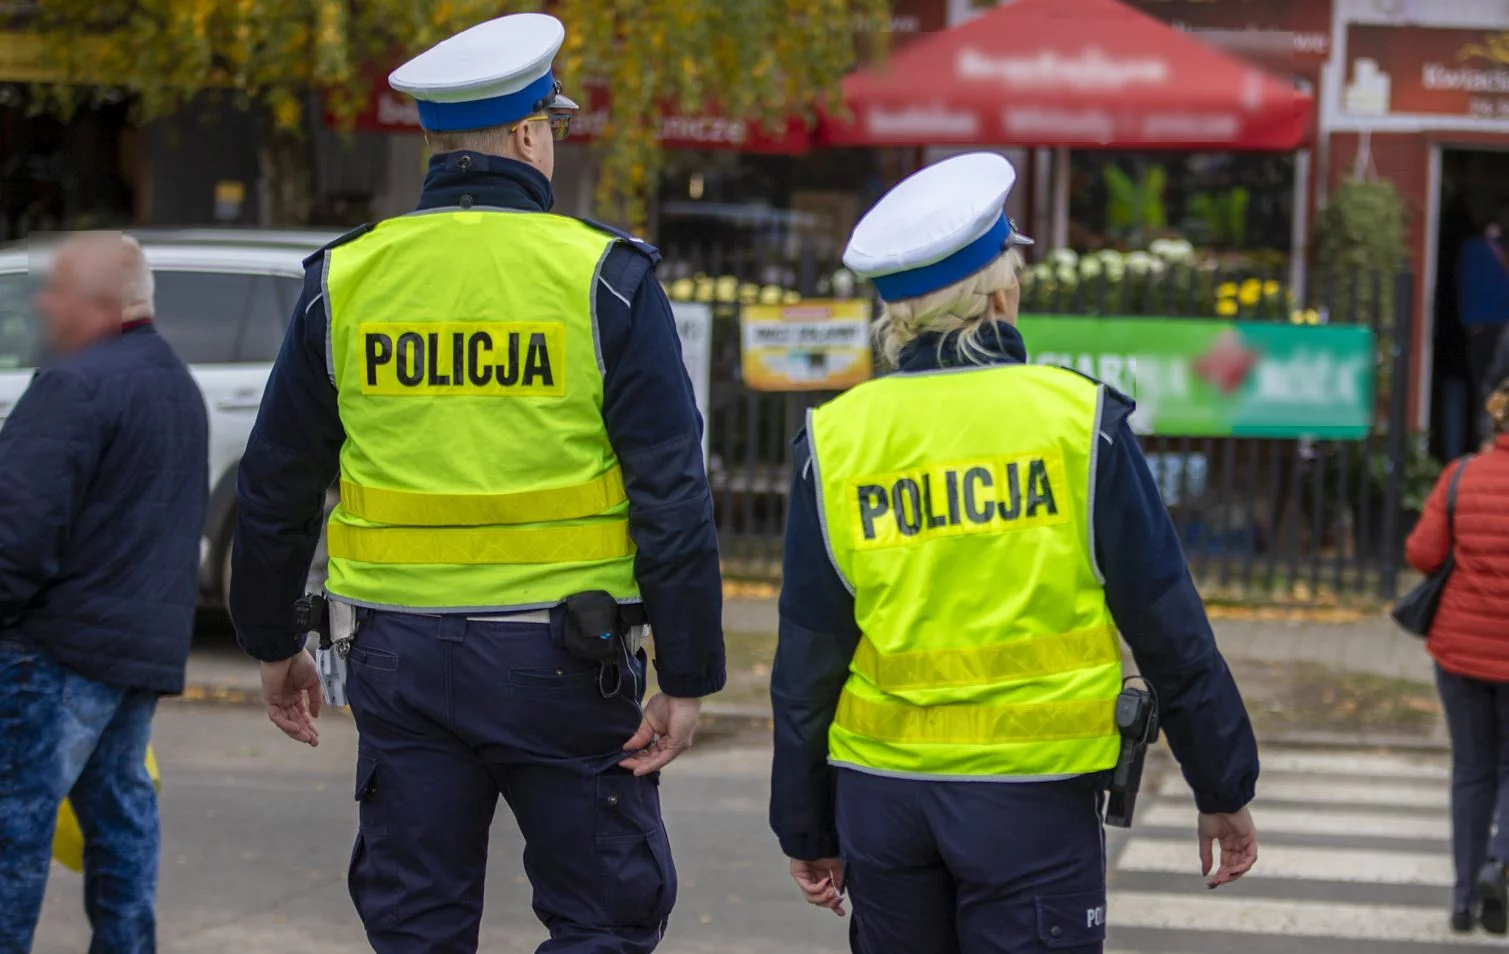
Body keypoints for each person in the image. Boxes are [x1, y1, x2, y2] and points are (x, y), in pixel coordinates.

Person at [230, 14, 725, 954]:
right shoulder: (603, 279)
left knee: (415, 925)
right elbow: (671, 494)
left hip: (397, 658)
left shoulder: (347, 279)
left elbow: (276, 485)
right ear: (530, 134)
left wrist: (269, 642)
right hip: (564, 661)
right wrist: (689, 674)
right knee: (601, 921)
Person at [769, 153, 1260, 953]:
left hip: (882, 798)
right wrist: (1222, 785)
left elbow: (808, 657)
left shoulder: (834, 439)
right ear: (999, 292)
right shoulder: (1076, 420)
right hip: (1030, 799)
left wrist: (803, 822)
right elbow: (1167, 625)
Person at [0, 232, 208, 951]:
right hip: (135, 651)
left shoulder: (74, 383)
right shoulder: (173, 382)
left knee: (11, 835)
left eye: (55, 290)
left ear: (96, 303)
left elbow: (16, 529)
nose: (44, 304)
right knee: (121, 828)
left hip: (53, 653)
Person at [1406, 375, 1509, 934]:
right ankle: (1501, 860)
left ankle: (1464, 899)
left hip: (1462, 651)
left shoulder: (1462, 475)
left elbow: (1423, 553)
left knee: (1471, 770)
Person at [1458, 208, 1509, 445]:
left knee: (1486, 386)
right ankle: (1491, 436)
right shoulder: (1489, 251)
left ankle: (1487, 438)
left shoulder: (1471, 249)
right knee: (1494, 384)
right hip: (1496, 326)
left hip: (1478, 328)